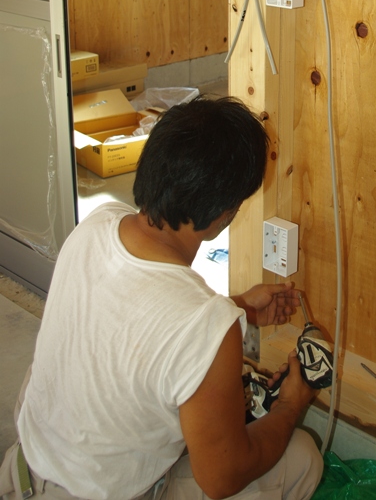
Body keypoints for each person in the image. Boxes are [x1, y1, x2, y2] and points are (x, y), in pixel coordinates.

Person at [0, 95, 323, 500]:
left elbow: (139, 318)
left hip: (23, 473)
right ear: (224, 213)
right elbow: (222, 478)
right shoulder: (206, 326)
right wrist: (289, 406)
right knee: (302, 456)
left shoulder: (97, 224)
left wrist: (237, 307)